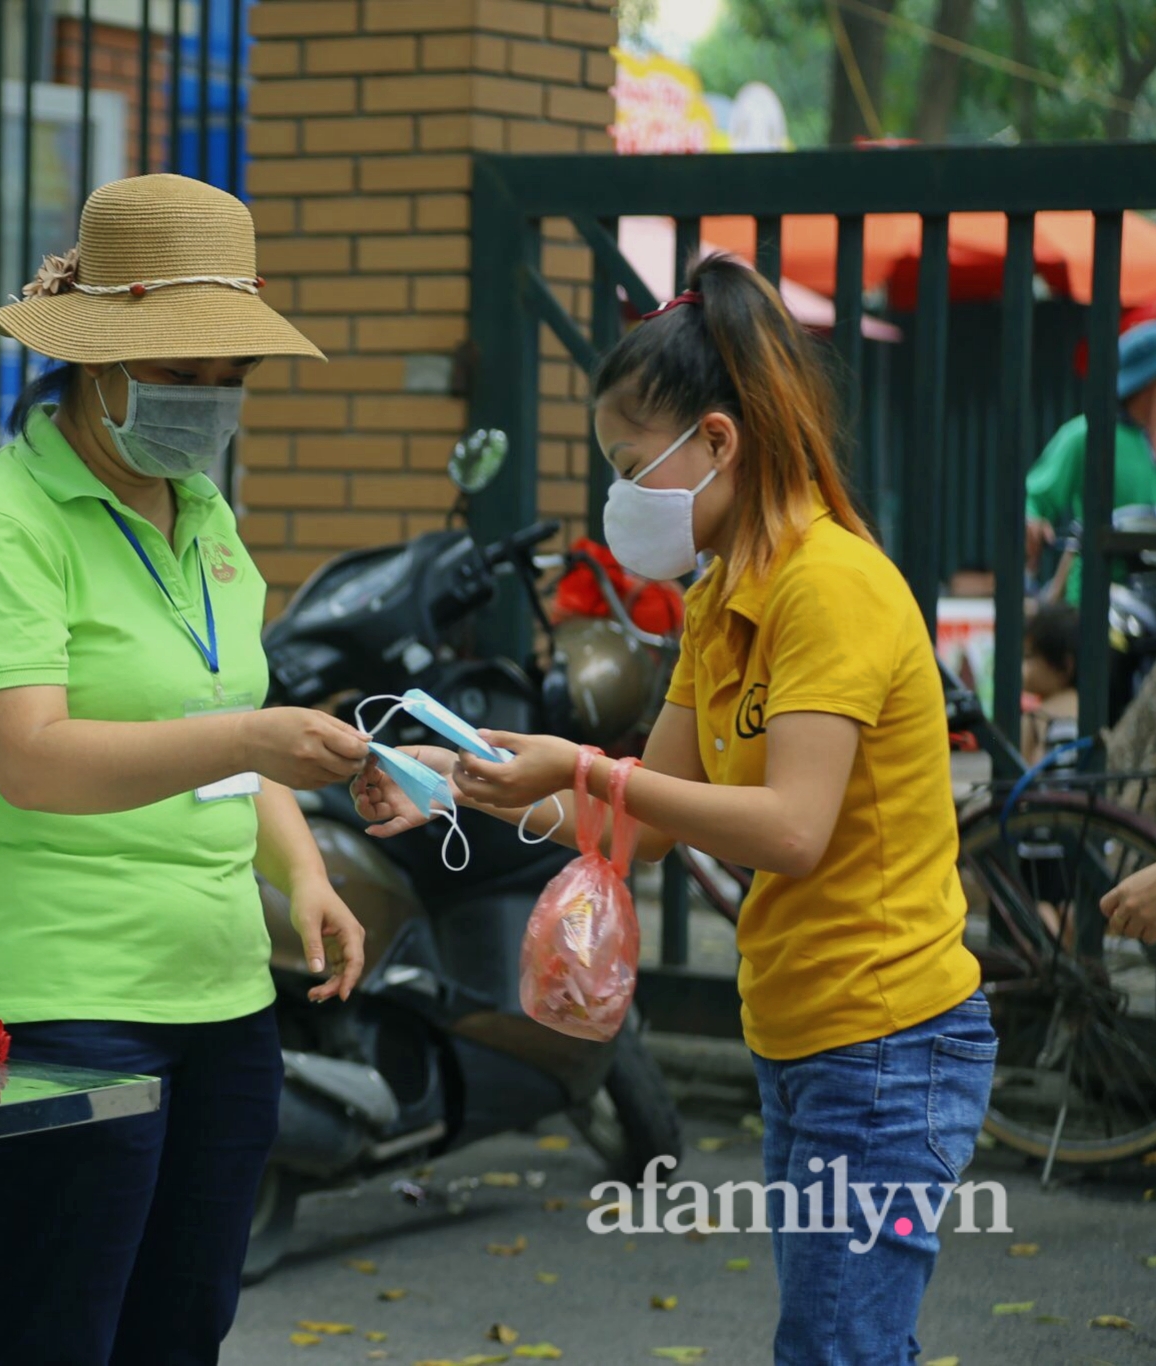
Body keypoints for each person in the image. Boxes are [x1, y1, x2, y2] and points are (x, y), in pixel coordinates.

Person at [357, 258, 994, 1366]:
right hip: (802, 1033)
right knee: (833, 1341)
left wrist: (582, 769)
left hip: (887, 1042)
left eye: (625, 466)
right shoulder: (721, 594)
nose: (616, 499)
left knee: (835, 1346)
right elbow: (642, 824)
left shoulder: (826, 586)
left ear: (714, 440)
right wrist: (471, 781)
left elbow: (790, 828)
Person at [0, 173, 370, 1366]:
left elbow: (231, 718)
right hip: (57, 995)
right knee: (48, 1334)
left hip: (218, 990)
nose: (207, 406)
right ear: (93, 359)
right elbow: (33, 761)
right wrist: (249, 739)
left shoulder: (202, 513)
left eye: (230, 381)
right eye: (179, 376)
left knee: (181, 1331)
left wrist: (304, 871)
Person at [1023, 320, 1156, 604]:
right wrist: (1032, 522)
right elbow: (1034, 498)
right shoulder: (1087, 435)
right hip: (1096, 604)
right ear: (1149, 384)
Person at [1020, 603, 1080, 767]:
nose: (1023, 667)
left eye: (1029, 657)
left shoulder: (1035, 719)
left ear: (1065, 665)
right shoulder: (1089, 710)